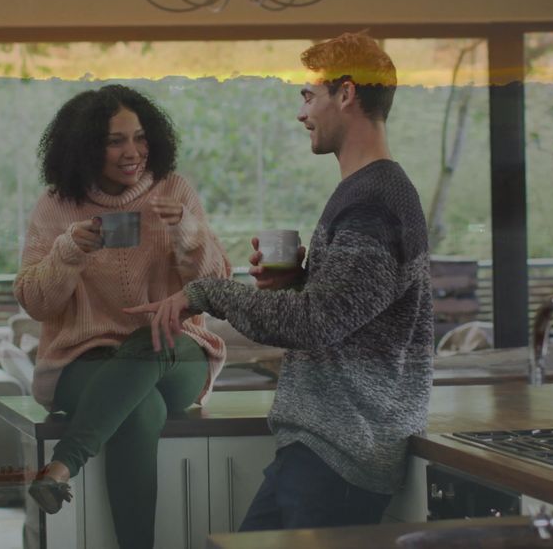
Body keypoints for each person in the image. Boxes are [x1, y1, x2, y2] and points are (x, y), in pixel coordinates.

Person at [126, 32, 434, 531]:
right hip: (326, 448)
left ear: (348, 94)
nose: (301, 113)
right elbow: (343, 313)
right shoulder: (362, 193)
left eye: (309, 96)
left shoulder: (375, 201)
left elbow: (317, 323)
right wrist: (298, 280)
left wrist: (206, 292)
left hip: (340, 455)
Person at [13, 84, 230, 548]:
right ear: (86, 147)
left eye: (140, 137)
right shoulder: (57, 205)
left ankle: (62, 465)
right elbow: (36, 302)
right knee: (139, 410)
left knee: (155, 338)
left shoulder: (174, 190)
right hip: (86, 363)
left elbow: (217, 287)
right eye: (116, 141)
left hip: (174, 354)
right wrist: (68, 251)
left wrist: (189, 235)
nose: (133, 152)